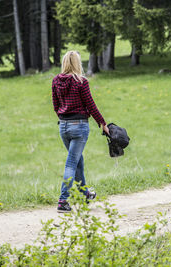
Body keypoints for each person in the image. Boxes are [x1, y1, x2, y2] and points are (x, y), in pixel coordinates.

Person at [51, 51, 109, 213]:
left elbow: (56, 106)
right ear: (77, 63)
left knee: (77, 160)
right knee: (71, 163)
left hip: (63, 126)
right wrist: (102, 123)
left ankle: (84, 194)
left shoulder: (56, 81)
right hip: (79, 126)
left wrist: (64, 118)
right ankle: (63, 200)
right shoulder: (81, 81)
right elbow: (90, 104)